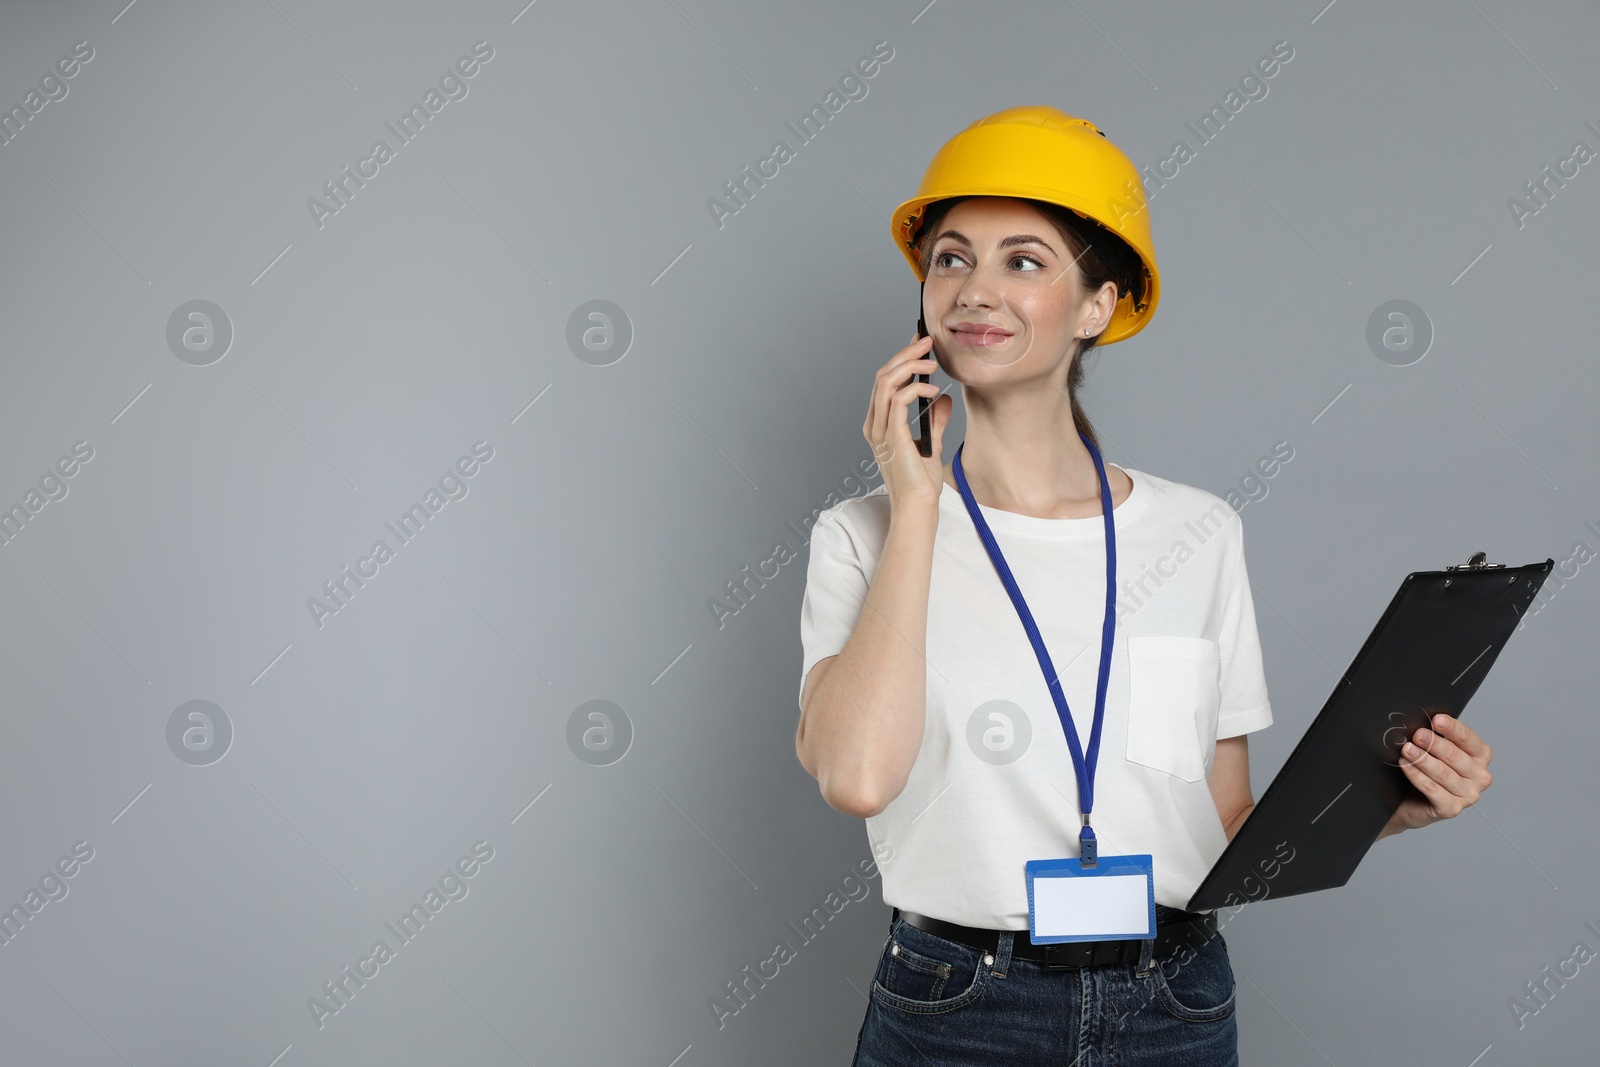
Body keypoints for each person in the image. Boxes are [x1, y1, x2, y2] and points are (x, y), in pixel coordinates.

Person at [793, 106, 1495, 1066]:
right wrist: (914, 504)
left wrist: (1386, 807)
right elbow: (859, 776)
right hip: (959, 1008)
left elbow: (1226, 823)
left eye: (1024, 261)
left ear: (1098, 307)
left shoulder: (1199, 532)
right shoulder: (861, 535)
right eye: (950, 258)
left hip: (1175, 1002)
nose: (974, 289)